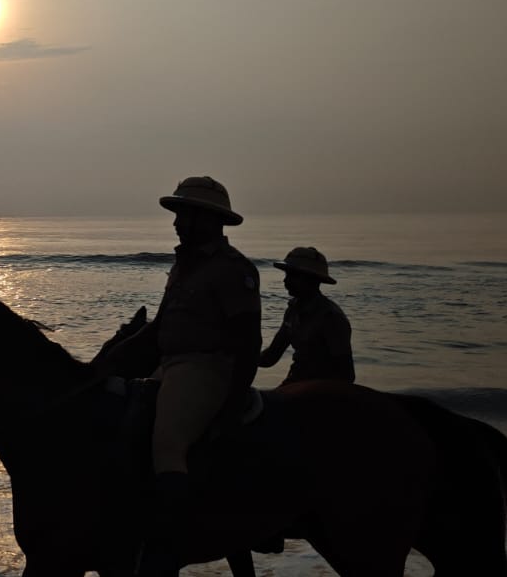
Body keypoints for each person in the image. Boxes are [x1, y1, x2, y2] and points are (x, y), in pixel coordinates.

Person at [96, 176, 262, 576]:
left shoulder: (232, 269)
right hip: (171, 364)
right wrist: (105, 362)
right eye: (178, 216)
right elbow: (157, 329)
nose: (177, 224)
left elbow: (248, 341)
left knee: (167, 443)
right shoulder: (185, 265)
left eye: (185, 216)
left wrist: (232, 399)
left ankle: (168, 544)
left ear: (210, 220)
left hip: (206, 367)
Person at [258, 247, 354, 384]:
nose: (285, 281)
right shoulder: (293, 311)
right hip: (295, 383)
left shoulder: (331, 318)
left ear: (312, 279)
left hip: (320, 391)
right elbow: (271, 356)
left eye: (292, 276)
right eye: (287, 275)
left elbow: (346, 375)